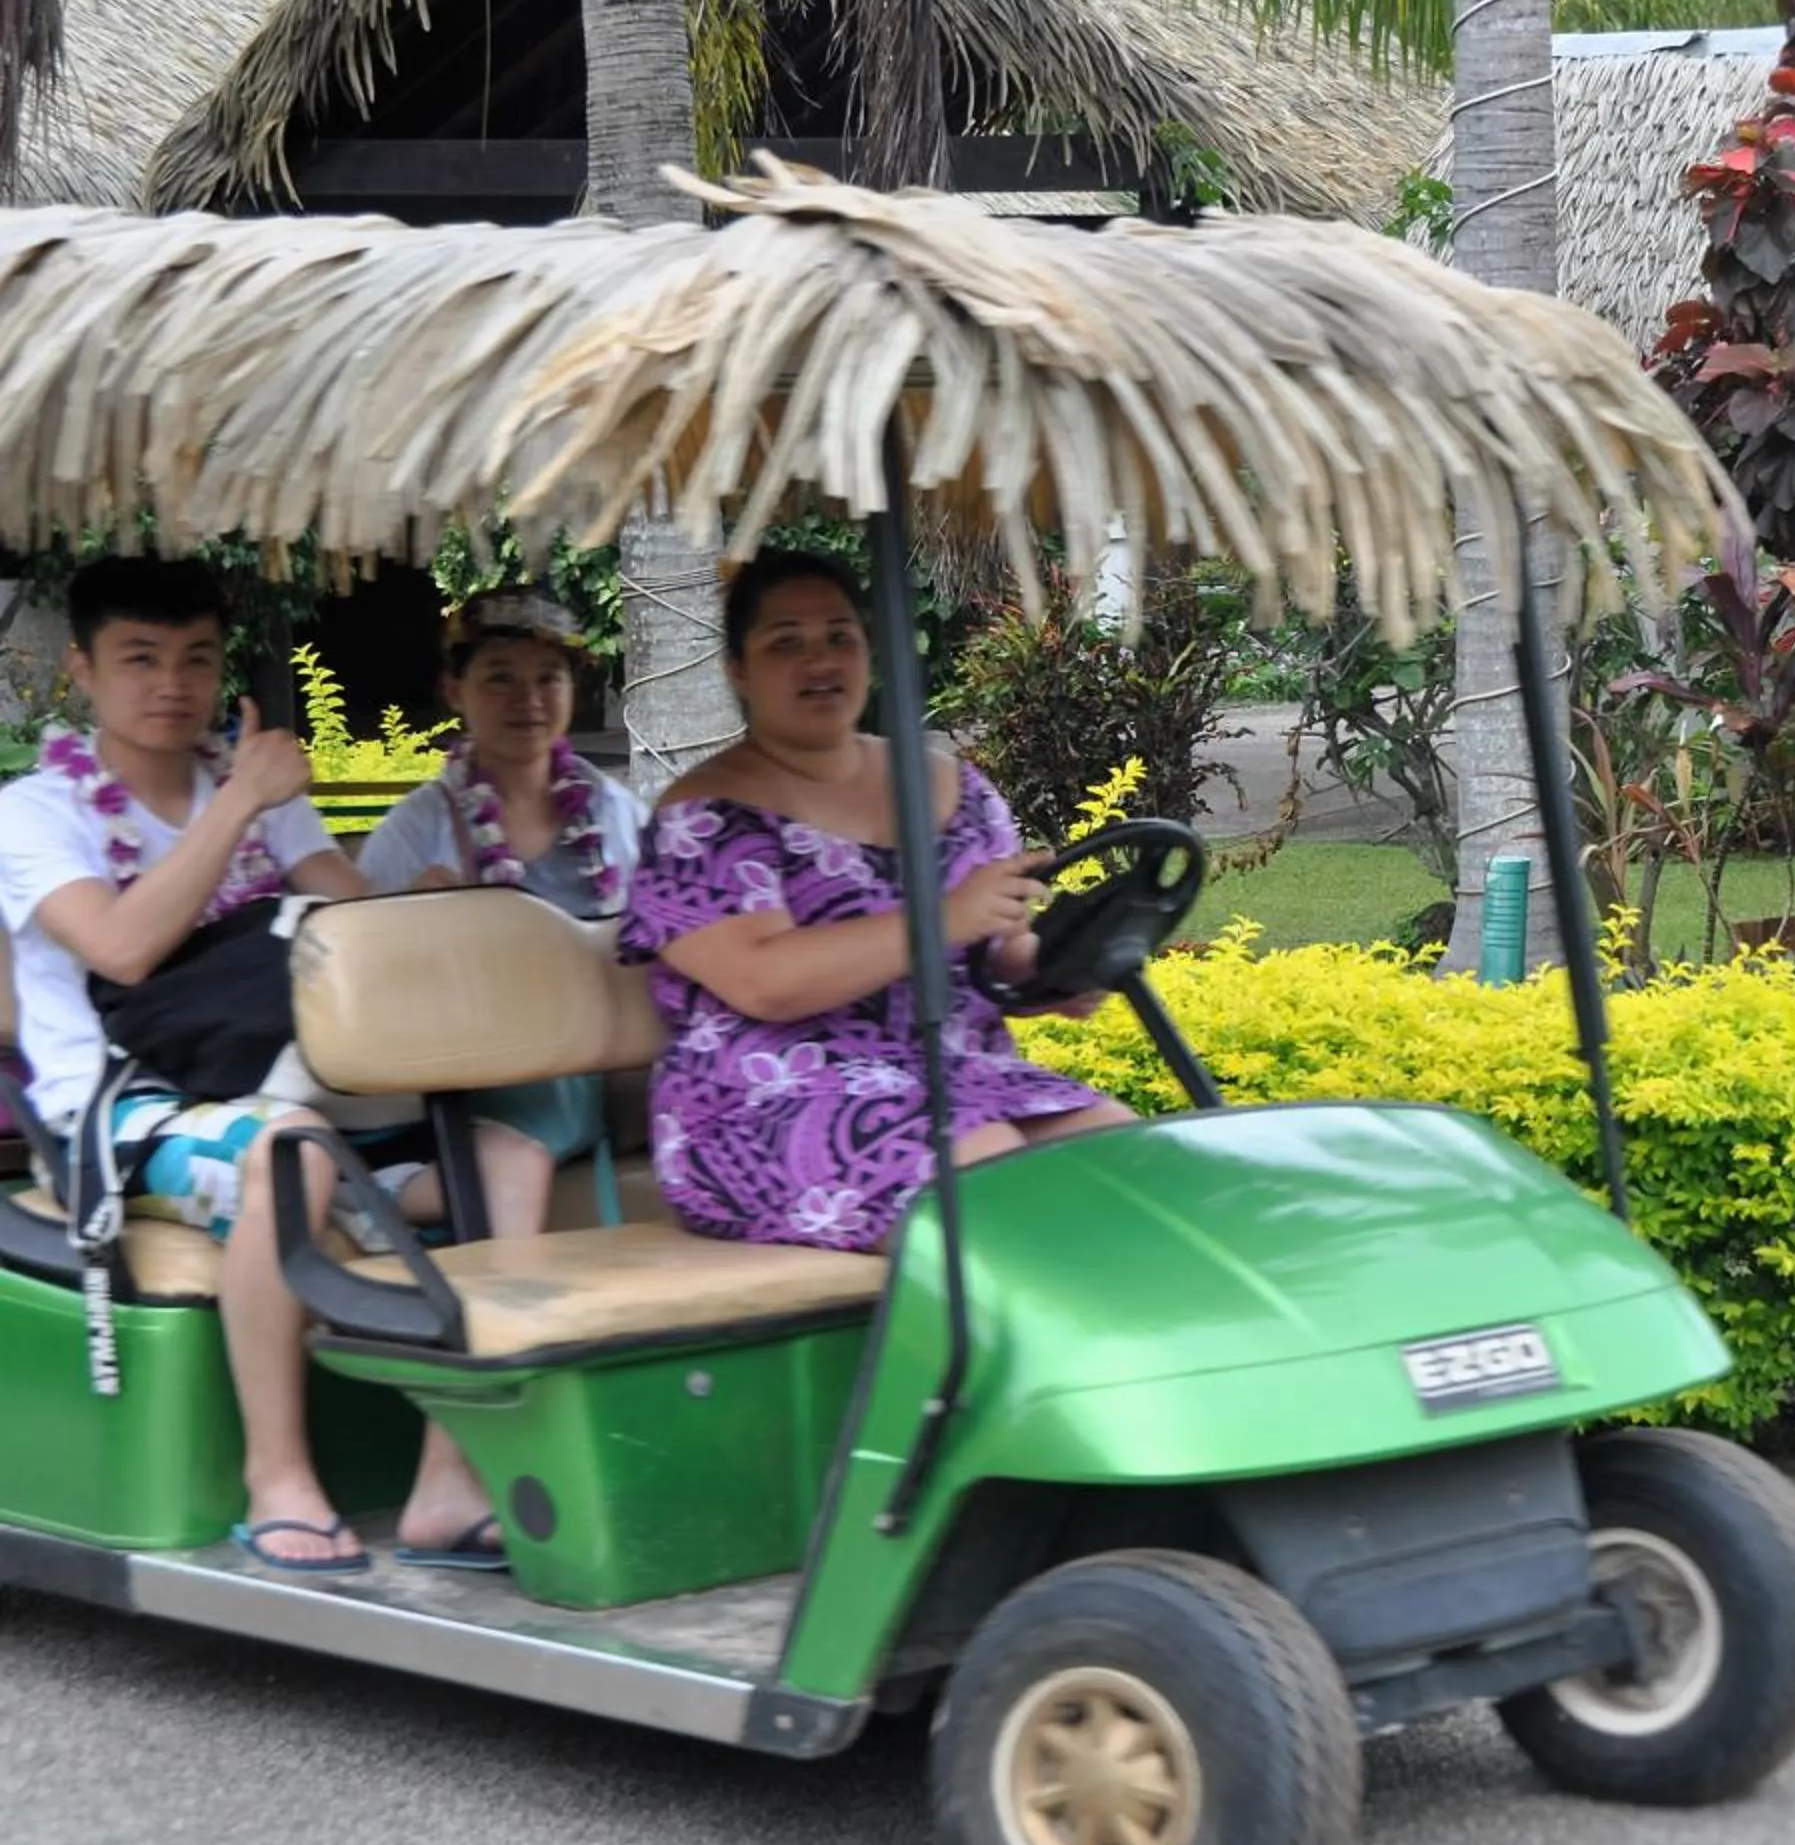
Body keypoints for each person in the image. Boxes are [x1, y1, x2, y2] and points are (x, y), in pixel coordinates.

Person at [0, 555, 546, 1574]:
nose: (173, 683)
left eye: (197, 658)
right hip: (119, 1115)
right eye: (141, 659)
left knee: (512, 1158)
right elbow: (121, 949)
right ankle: (277, 1477)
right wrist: (238, 802)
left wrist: (418, 905)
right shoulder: (37, 812)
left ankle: (447, 1478)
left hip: (283, 1079)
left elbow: (340, 914)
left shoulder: (247, 783)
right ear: (82, 670)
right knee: (288, 1156)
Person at [619, 550, 1126, 1252]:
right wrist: (941, 919)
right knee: (996, 1187)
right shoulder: (703, 815)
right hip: (770, 1106)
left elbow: (998, 950)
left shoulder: (954, 787)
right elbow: (767, 982)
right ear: (739, 669)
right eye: (785, 642)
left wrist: (1065, 968)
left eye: (839, 637)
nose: (818, 660)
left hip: (956, 1080)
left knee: (1126, 1165)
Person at [357, 590, 648, 1207]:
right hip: (485, 1080)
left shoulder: (616, 813)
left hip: (612, 1065)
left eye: (549, 677)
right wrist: (417, 926)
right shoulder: (415, 832)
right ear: (455, 690)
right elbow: (366, 987)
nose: (530, 699)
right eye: (500, 678)